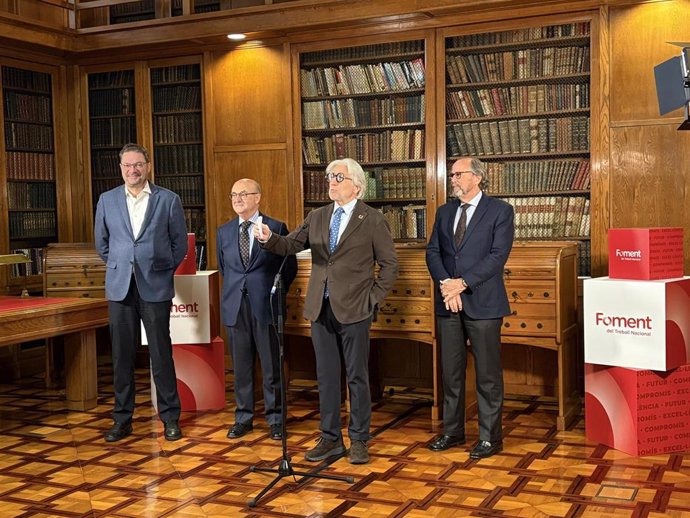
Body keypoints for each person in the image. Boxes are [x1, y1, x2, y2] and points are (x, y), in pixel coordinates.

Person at [255, 158, 398, 465]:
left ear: (356, 186)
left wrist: (372, 298)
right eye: (330, 177)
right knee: (327, 376)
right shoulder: (318, 216)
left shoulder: (372, 219)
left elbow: (389, 265)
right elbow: (291, 244)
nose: (331, 181)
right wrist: (268, 238)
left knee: (357, 377)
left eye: (338, 177)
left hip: (355, 309)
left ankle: (359, 439)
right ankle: (331, 438)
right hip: (321, 306)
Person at [94, 143, 188, 443]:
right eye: (127, 166)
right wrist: (122, 265)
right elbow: (102, 244)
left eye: (137, 165)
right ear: (120, 168)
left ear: (147, 166)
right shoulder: (107, 200)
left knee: (161, 354)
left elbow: (179, 245)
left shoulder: (168, 200)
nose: (132, 170)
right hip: (120, 288)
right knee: (121, 357)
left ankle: (171, 418)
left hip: (155, 286)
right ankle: (122, 420)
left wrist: (159, 269)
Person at [425, 156, 514, 459]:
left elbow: (497, 256)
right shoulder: (444, 212)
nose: (453, 179)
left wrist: (462, 283)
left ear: (476, 177)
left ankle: (490, 437)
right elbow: (433, 252)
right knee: (451, 372)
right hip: (448, 301)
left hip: (484, 302)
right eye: (451, 175)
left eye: (458, 174)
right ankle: (452, 431)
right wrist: (447, 285)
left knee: (488, 374)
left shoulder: (500, 211)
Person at [217, 178, 297, 441]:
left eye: (243, 194)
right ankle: (243, 418)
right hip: (235, 306)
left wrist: (271, 291)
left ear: (257, 197)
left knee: (272, 365)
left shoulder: (275, 227)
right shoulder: (224, 232)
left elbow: (289, 267)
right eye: (233, 195)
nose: (237, 199)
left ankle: (276, 420)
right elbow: (226, 269)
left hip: (266, 305)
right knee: (241, 367)